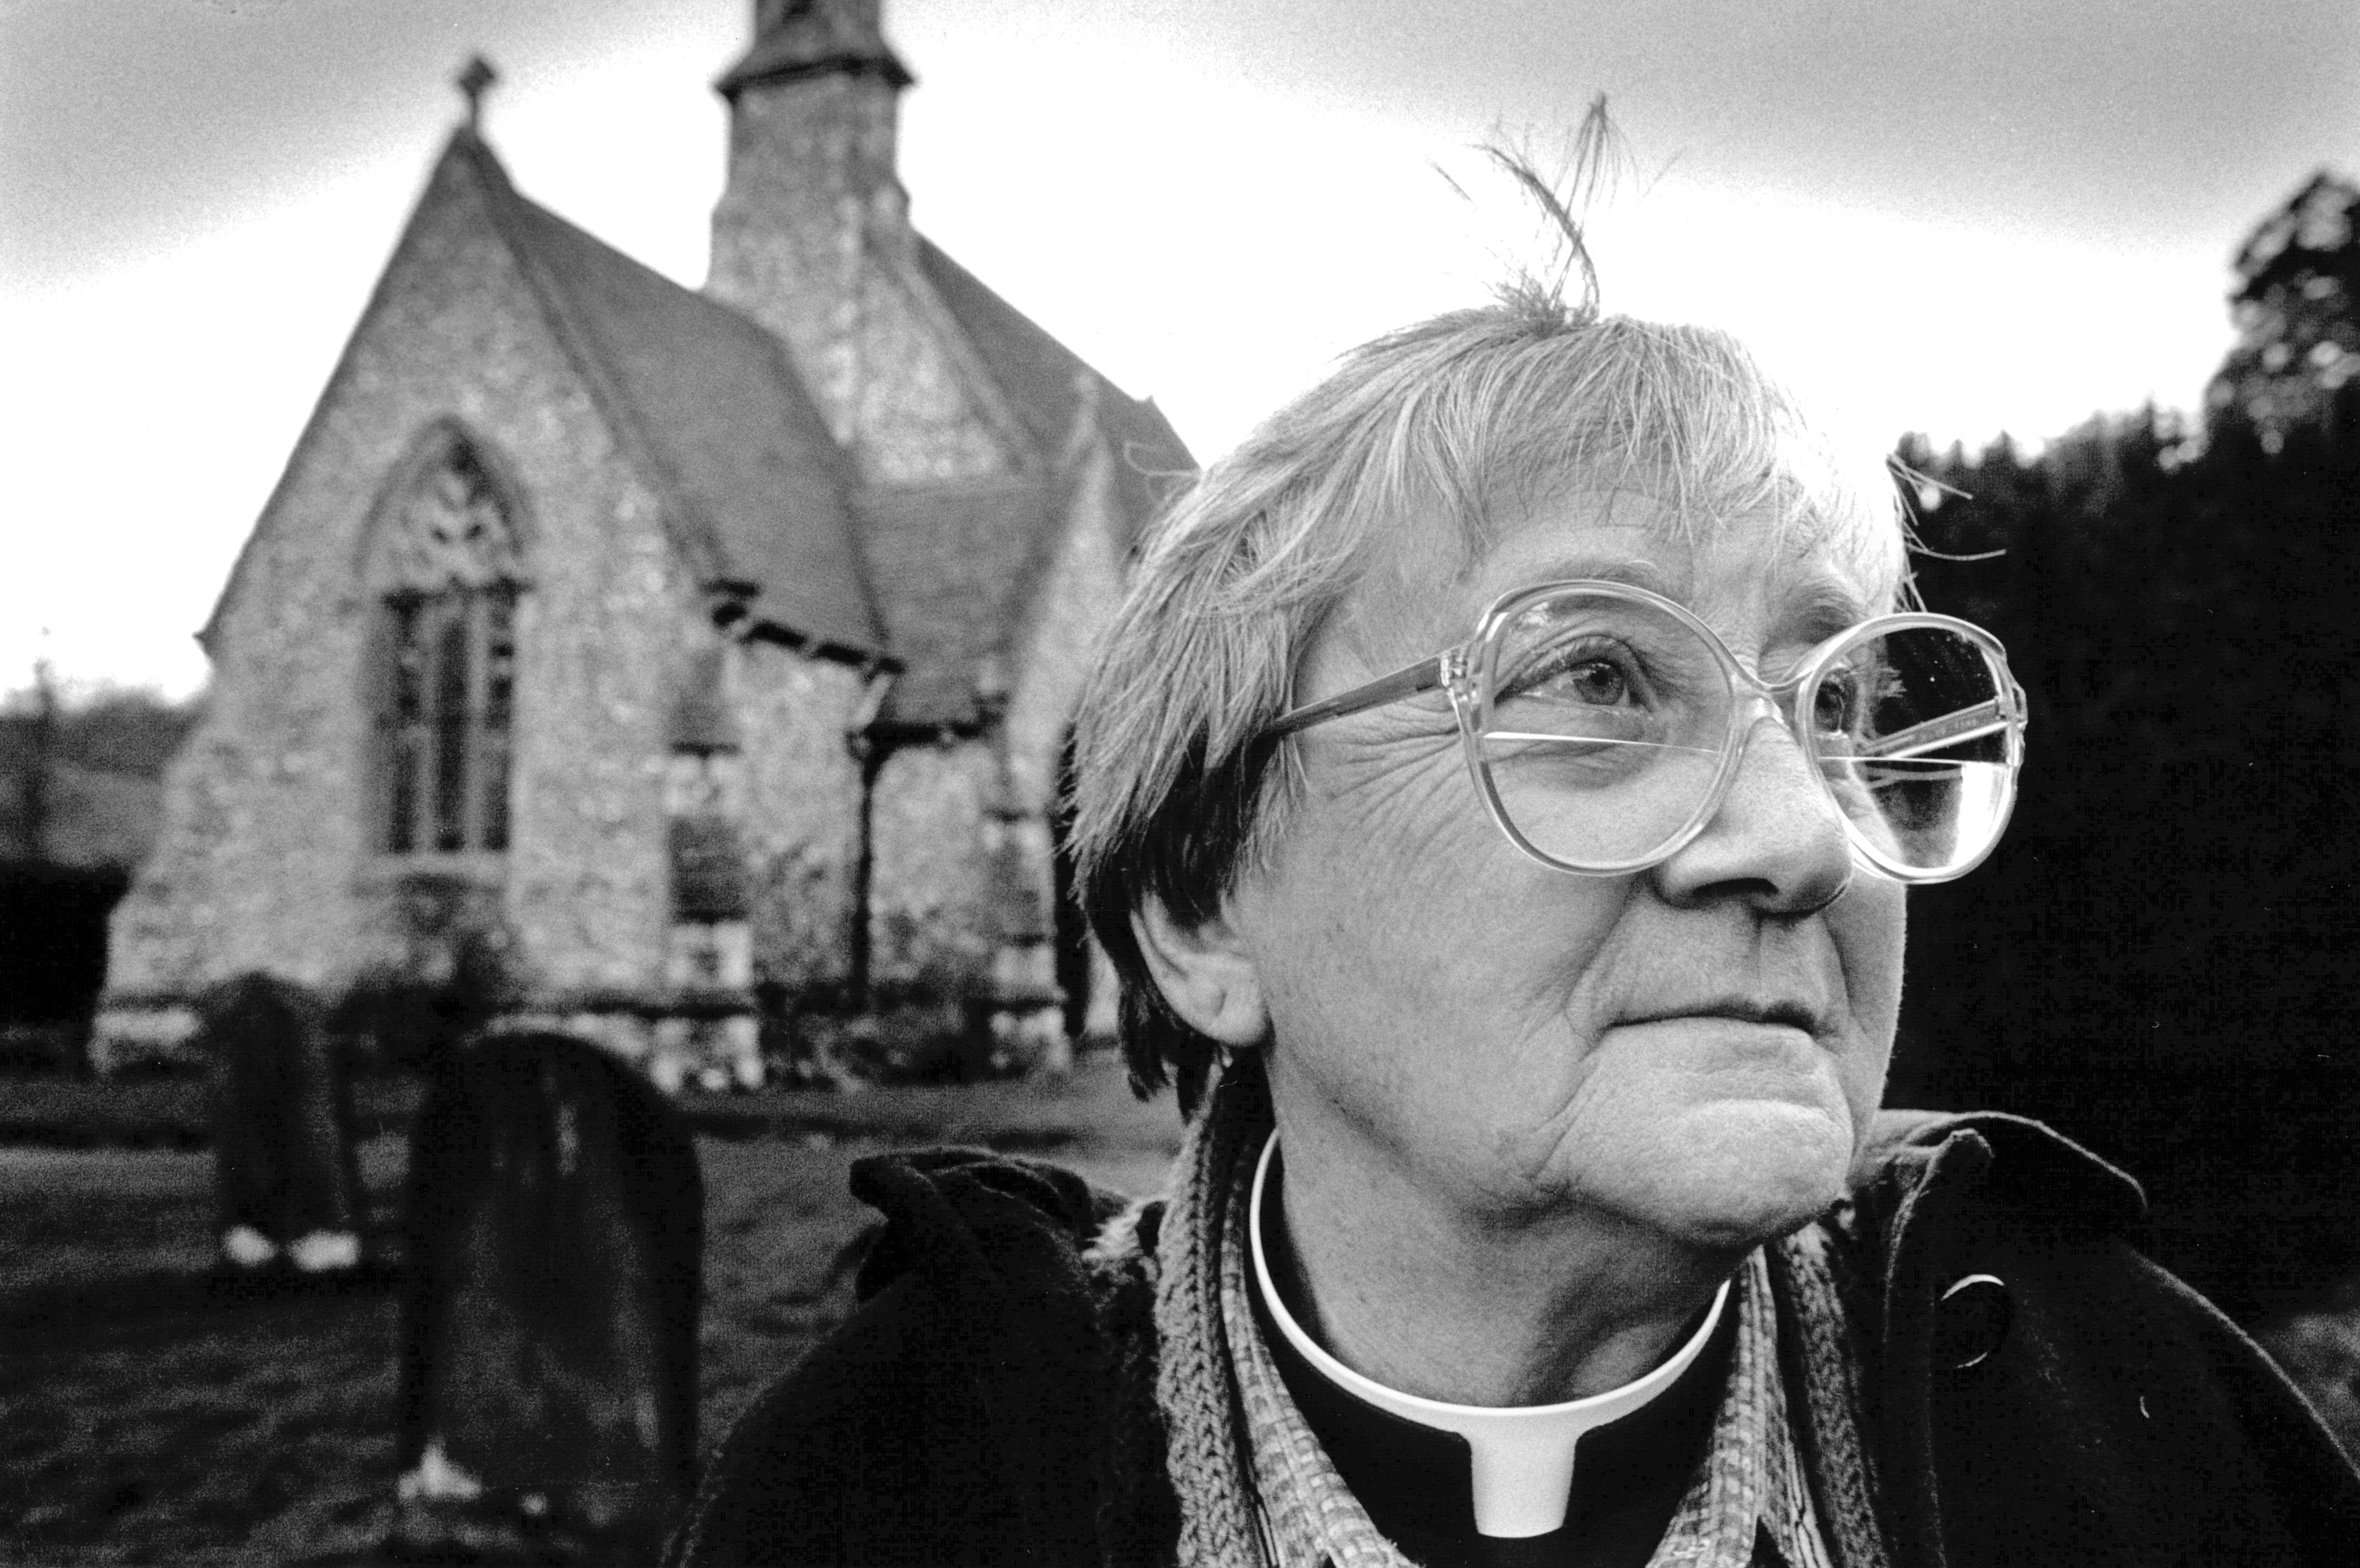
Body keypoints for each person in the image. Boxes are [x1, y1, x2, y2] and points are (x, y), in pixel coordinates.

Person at [667, 212, 2360, 1568]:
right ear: (1200, 911)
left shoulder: (2126, 1415)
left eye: (1836, 701)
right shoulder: (900, 1482)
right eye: (1595, 681)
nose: (1808, 837)